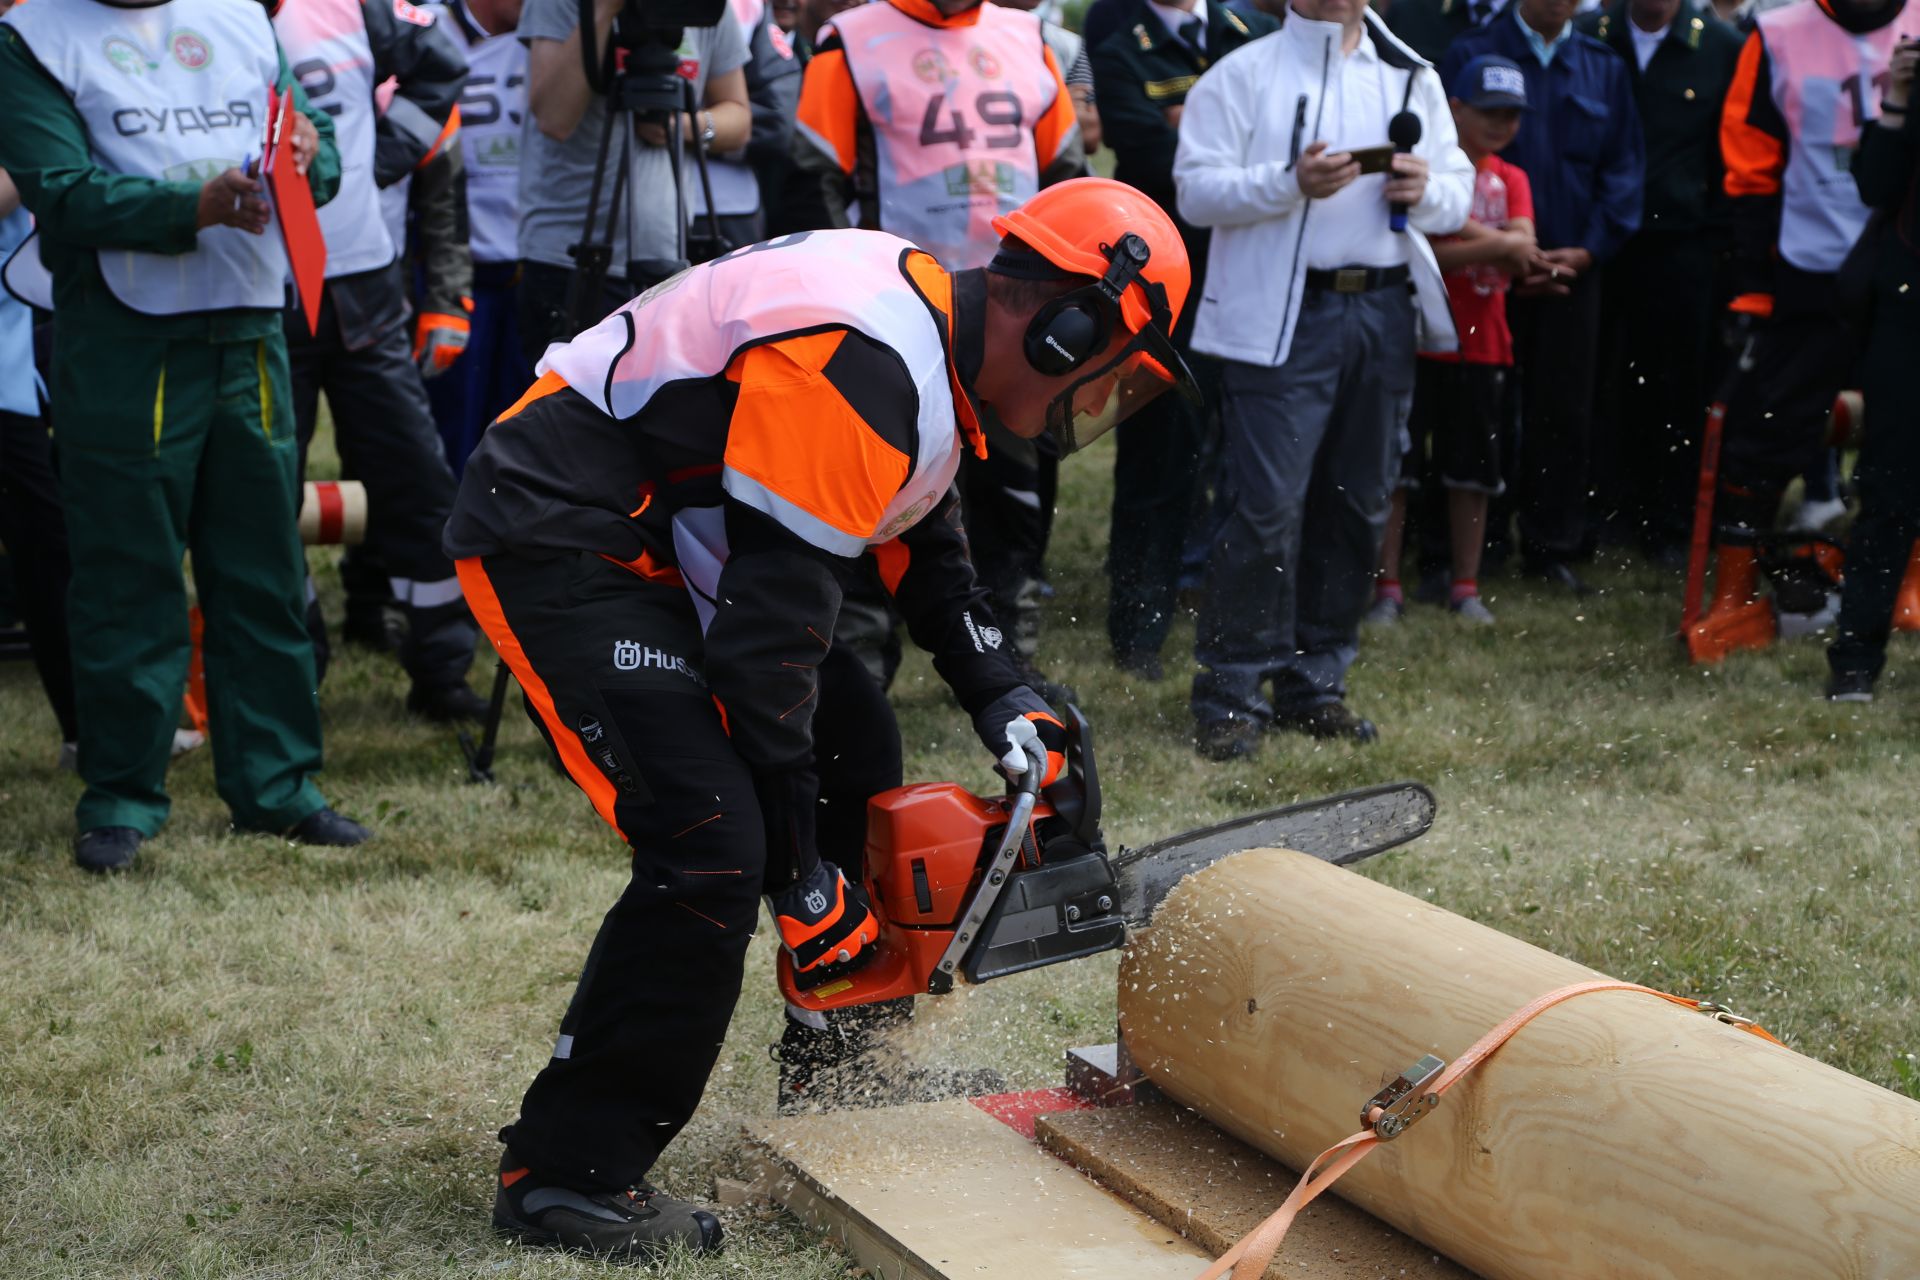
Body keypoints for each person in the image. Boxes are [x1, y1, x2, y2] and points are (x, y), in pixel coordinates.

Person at [444, 179, 1197, 1258]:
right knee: (712, 844)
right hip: (566, 528)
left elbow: (918, 540)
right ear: (1061, 326)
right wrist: (800, 874)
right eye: (1106, 371)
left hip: (671, 542)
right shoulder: (864, 361)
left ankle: (842, 1062)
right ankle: (564, 1170)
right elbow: (765, 659)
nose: (1098, 398)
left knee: (857, 745)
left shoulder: (927, 352)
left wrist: (1002, 688)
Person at [0, 0, 370, 872]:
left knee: (267, 572)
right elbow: (60, 192)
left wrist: (309, 154)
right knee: (126, 574)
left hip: (249, 335)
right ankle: (122, 793)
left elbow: (311, 138)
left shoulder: (239, 16)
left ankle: (278, 788)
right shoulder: (31, 37)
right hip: (126, 344)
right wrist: (193, 207)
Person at [1175, 0, 1475, 758]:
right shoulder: (1241, 75)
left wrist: (1423, 191)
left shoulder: (1413, 78)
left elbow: (1456, 189)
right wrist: (1288, 182)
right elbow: (1195, 192)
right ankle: (1233, 690)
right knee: (1266, 505)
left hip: (1381, 310)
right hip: (1284, 316)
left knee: (1359, 501)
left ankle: (1317, 682)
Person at [793, 0, 1087, 694]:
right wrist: (847, 295)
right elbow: (814, 181)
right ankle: (861, 669)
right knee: (877, 495)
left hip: (1013, 326)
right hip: (894, 319)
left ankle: (1009, 656)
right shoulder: (850, 42)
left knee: (1012, 498)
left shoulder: (1031, 39)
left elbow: (1067, 178)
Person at [274, 0, 484, 719]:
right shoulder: (199, 18)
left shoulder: (354, 4)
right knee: (269, 493)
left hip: (365, 282)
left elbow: (443, 67)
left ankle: (441, 665)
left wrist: (381, 159)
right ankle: (292, 668)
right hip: (260, 289)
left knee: (418, 482)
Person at [1691, 0, 1920, 648]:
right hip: (1808, 269)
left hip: (1902, 266)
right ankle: (1734, 585)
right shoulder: (1777, 33)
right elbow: (1747, 166)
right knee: (1767, 430)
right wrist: (1752, 287)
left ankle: (1908, 581)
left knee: (1908, 434)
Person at [1090, 0, 1276, 682]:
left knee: (1250, 461)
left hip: (1256, 278)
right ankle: (1138, 631)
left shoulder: (1257, 34)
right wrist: (1237, 143)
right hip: (1166, 294)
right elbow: (1156, 156)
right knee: (1158, 464)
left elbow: (1266, 147)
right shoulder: (1119, 47)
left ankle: (1238, 614)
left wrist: (1198, 129)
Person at [1443, 0, 1644, 595]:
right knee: (1473, 411)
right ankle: (1462, 552)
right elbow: (1444, 160)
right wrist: (1503, 252)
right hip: (1476, 276)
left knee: (1563, 409)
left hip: (1570, 271)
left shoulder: (1603, 65)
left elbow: (1625, 170)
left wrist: (1586, 252)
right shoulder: (1471, 52)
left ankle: (1550, 544)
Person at [1371, 54, 1535, 627]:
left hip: (1484, 343)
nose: (1501, 124)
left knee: (1473, 470)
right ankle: (1385, 585)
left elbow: (1525, 255)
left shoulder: (1512, 178)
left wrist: (1482, 242)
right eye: (1489, 111)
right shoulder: (1431, 172)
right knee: (1397, 468)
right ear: (1455, 109)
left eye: (1512, 114)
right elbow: (1424, 252)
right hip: (1417, 337)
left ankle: (1465, 585)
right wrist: (1498, 244)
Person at [1581, 0, 1743, 564]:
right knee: (1602, 381)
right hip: (1601, 241)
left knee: (1679, 384)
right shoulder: (1590, 35)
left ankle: (1671, 522)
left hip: (1684, 242)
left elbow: (1736, 148)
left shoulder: (1721, 48)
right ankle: (1606, 513)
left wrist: (1723, 239)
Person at [514, 0, 750, 359]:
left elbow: (739, 118)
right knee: (568, 410)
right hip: (569, 261)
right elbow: (553, 118)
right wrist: (603, 11)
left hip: (670, 261)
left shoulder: (705, 8)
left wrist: (681, 127)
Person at [1826, 35, 1920, 701]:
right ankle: (1855, 661)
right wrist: (1896, 100)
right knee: (1888, 490)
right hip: (1909, 313)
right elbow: (1875, 185)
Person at [422, 0, 535, 475]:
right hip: (456, 275)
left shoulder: (555, 34)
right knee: (452, 431)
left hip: (534, 271)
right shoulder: (426, 30)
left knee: (524, 431)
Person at [689, 0, 801, 256]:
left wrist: (684, 129)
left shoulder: (747, 6)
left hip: (722, 210)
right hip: (620, 207)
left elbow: (777, 124)